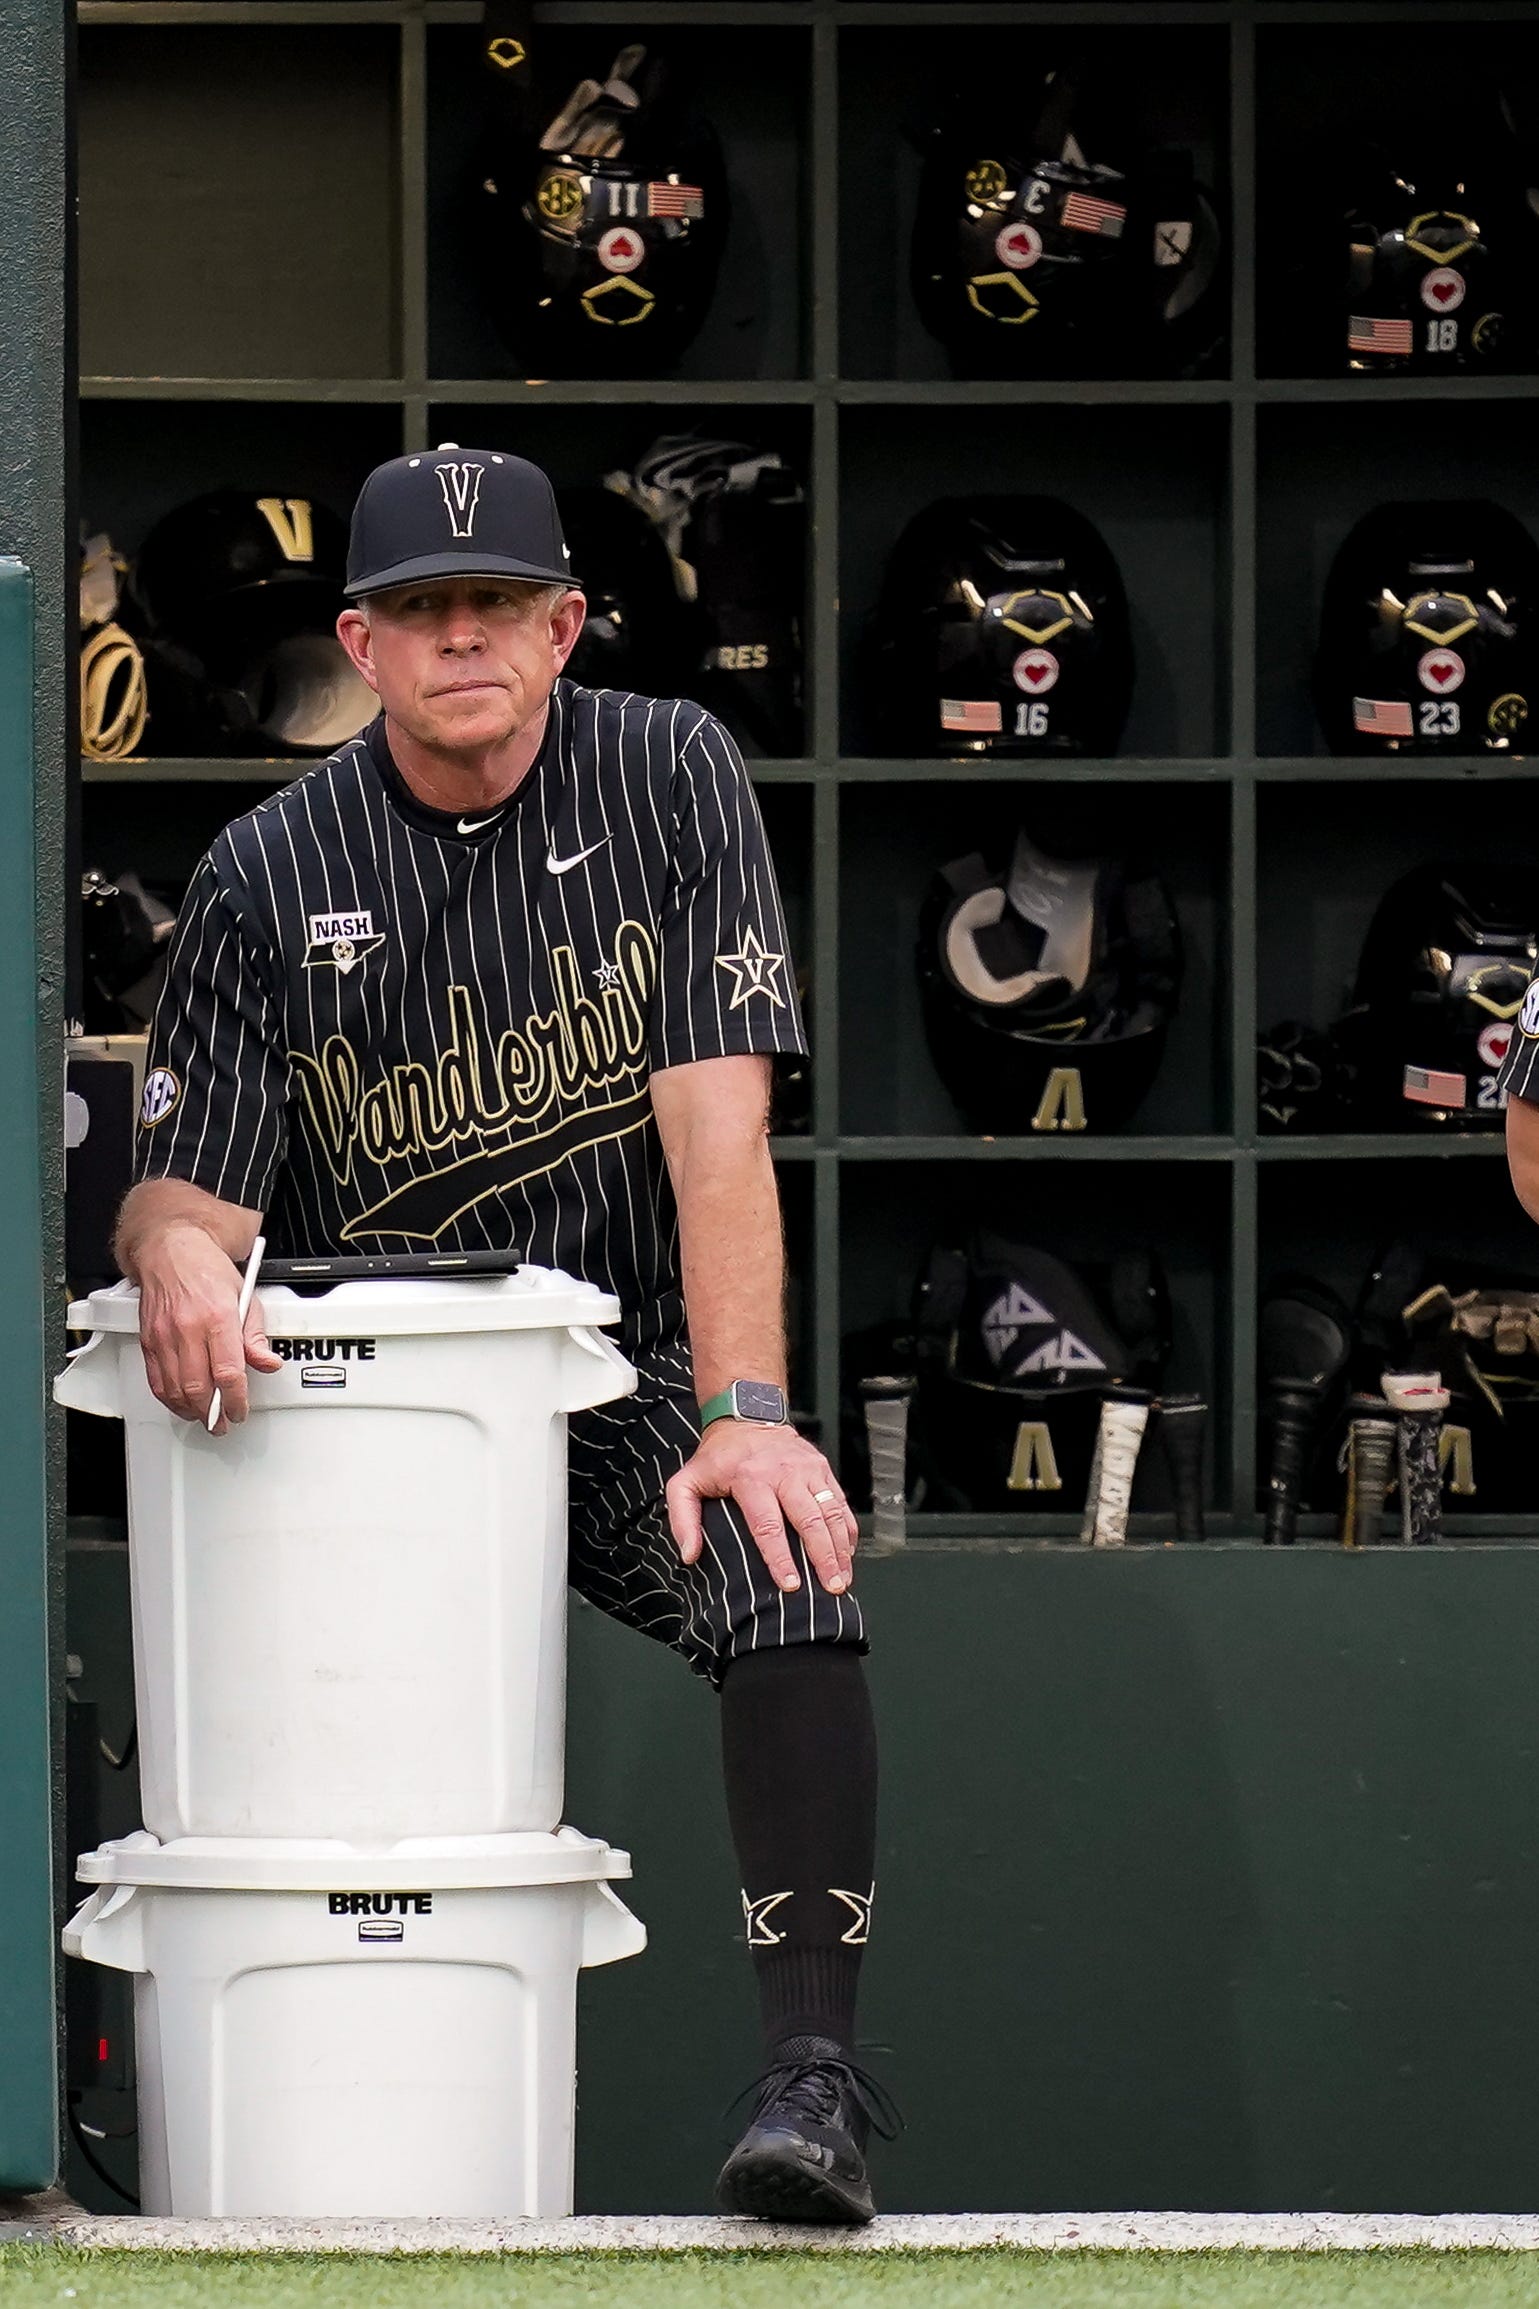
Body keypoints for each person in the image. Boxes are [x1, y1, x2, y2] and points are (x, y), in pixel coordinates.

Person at [113, 447, 891, 2224]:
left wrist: (748, 1408)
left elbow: (718, 1137)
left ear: (563, 626)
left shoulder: (673, 772)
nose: (459, 635)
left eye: (494, 604)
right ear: (360, 643)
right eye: (418, 609)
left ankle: (815, 2078)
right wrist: (162, 1246)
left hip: (608, 1388)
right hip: (354, 1428)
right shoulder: (263, 867)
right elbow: (191, 1198)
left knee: (787, 1564)